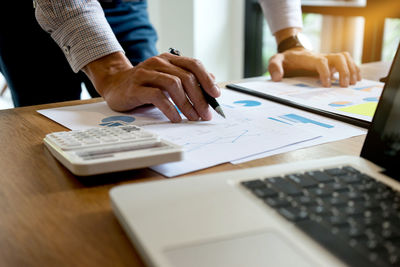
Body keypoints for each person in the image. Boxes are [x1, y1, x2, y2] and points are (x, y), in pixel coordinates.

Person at [0, 0, 360, 123]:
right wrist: (110, 71)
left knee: (152, 97)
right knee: (44, 119)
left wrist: (291, 40)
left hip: (124, 4)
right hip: (30, 10)